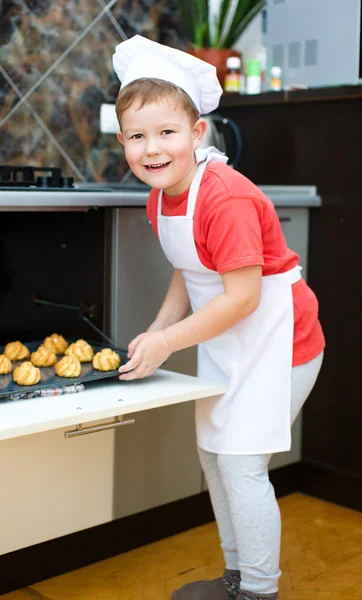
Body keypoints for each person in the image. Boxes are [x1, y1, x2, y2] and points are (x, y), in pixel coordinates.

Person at [112, 35, 325, 600]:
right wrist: (159, 330)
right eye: (138, 136)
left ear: (197, 133)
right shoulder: (161, 196)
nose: (152, 148)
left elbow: (242, 298)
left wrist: (168, 345)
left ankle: (258, 592)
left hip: (281, 339)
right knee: (214, 455)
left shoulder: (223, 198)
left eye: (167, 133)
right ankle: (236, 578)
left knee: (241, 465)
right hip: (230, 336)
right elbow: (190, 269)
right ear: (122, 142)